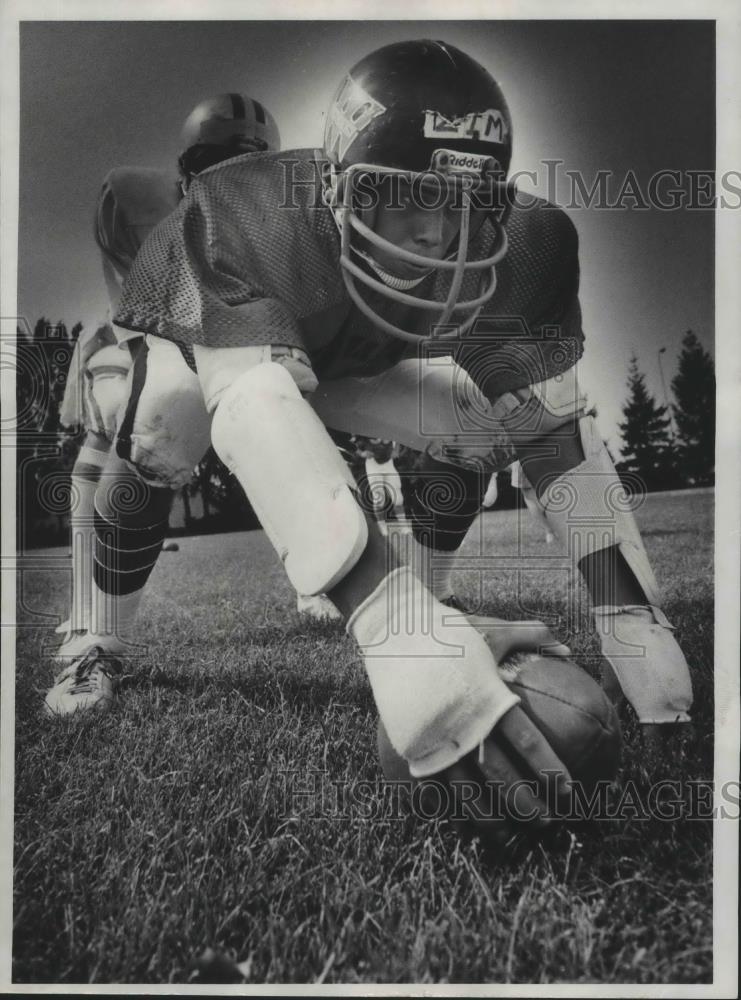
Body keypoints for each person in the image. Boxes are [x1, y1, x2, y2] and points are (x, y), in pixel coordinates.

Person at [50, 40, 693, 833]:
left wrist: (632, 627)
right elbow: (251, 402)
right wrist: (400, 637)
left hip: (345, 365)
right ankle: (95, 639)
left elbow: (552, 431)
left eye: (465, 201)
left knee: (500, 416)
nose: (433, 233)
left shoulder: (529, 244)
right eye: (400, 196)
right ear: (333, 186)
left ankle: (440, 587)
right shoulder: (239, 212)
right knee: (161, 419)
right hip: (215, 355)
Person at [46, 93, 281, 701]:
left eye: (249, 163)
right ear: (186, 171)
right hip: (141, 337)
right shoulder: (141, 198)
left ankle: (339, 585)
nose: (233, 176)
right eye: (217, 160)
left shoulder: (281, 231)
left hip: (228, 346)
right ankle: (89, 623)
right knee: (132, 428)